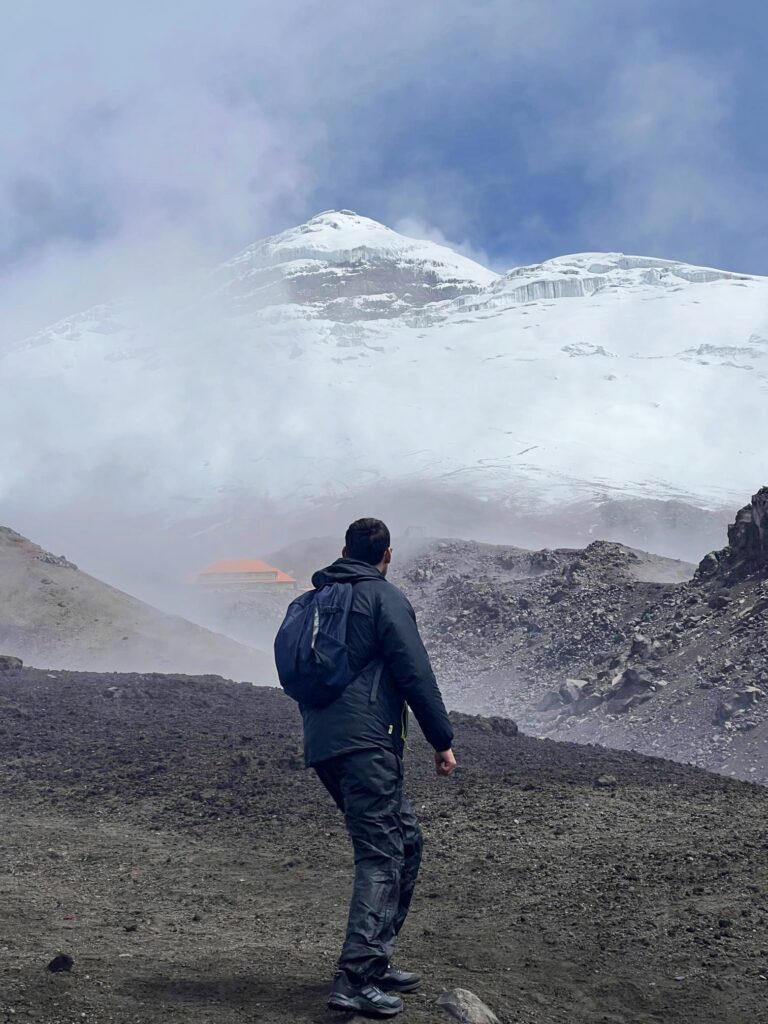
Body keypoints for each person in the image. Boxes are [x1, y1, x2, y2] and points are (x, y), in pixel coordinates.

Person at [301, 517, 457, 1018]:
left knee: (405, 840)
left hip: (326, 744)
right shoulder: (382, 597)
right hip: (367, 745)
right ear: (387, 555)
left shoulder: (314, 600)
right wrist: (442, 740)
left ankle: (376, 957)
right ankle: (355, 979)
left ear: (344, 549)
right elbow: (415, 670)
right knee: (382, 854)